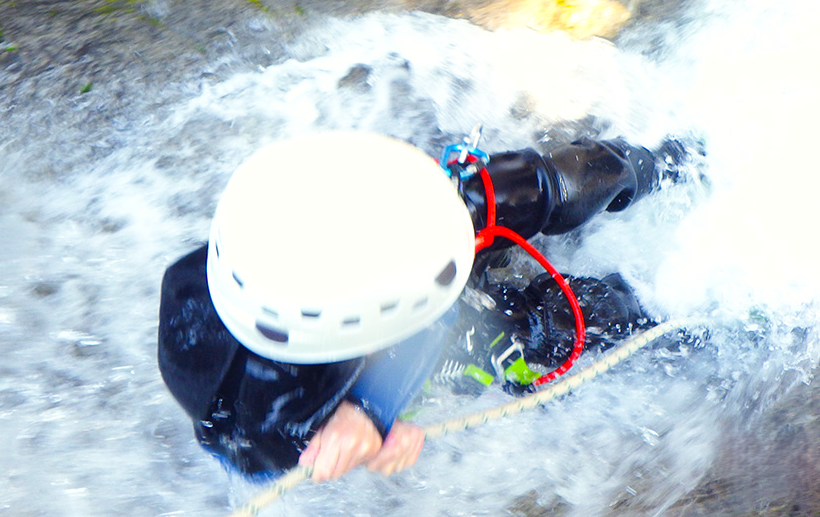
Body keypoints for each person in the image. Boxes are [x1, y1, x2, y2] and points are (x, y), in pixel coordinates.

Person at [157, 129, 688, 482]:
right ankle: (671, 304)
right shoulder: (266, 422)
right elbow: (427, 334)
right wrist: (372, 414)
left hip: (383, 274)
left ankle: (664, 163)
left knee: (527, 187)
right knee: (528, 328)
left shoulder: (232, 263)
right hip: (378, 342)